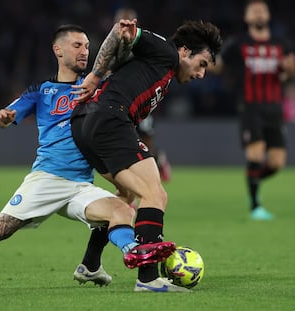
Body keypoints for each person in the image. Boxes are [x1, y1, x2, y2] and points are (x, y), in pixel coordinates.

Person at [0, 24, 181, 294]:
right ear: (58, 50)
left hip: (80, 185)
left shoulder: (97, 84)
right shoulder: (41, 91)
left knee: (123, 208)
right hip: (47, 179)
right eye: (77, 46)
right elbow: (10, 112)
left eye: (87, 46)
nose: (84, 52)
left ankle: (132, 251)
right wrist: (6, 117)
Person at [70, 18, 222, 292]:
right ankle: (148, 278)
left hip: (87, 123)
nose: (201, 74)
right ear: (185, 51)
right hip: (110, 117)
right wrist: (95, 75)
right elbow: (122, 31)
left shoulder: (161, 70)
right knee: (155, 195)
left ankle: (89, 265)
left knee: (127, 196)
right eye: (201, 64)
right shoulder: (165, 51)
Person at [209, 0, 295, 220]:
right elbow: (219, 66)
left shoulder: (281, 44)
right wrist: (202, 61)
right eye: (253, 11)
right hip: (250, 106)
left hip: (275, 108)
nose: (258, 14)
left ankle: (253, 181)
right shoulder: (238, 44)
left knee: (276, 163)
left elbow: (288, 73)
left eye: (262, 11)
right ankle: (256, 205)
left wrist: (289, 70)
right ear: (247, 18)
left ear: (267, 16)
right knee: (255, 154)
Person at [113, 8, 172, 182]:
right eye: (119, 23)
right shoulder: (111, 47)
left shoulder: (143, 47)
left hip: (142, 105)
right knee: (125, 145)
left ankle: (158, 159)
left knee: (146, 143)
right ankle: (130, 188)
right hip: (122, 104)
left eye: (127, 23)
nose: (123, 27)